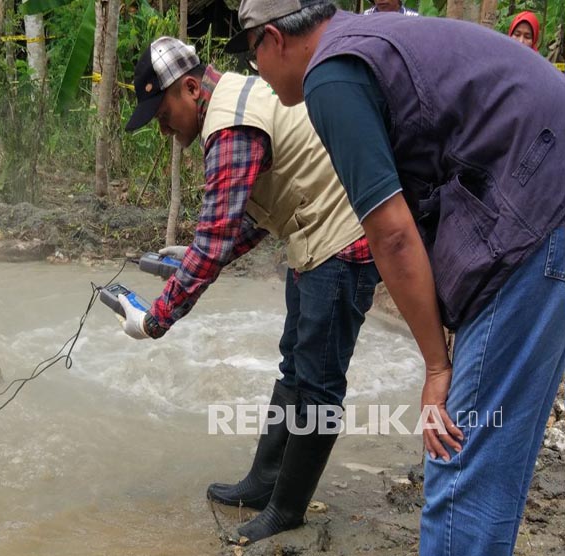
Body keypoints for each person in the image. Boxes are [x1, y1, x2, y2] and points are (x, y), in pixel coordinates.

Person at [225, 0, 565, 553]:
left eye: (253, 54)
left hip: (536, 205)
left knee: (460, 461)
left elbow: (393, 234)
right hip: (539, 196)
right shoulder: (367, 38)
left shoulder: (330, 76)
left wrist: (436, 365)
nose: (256, 71)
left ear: (273, 39)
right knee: (490, 458)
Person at [118, 36, 380, 526]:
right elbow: (251, 220)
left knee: (319, 386)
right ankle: (265, 482)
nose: (164, 128)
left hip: (341, 241)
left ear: (191, 88)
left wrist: (154, 320)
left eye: (162, 114)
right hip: (313, 235)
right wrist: (192, 255)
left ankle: (287, 509)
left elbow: (216, 241)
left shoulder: (229, 126)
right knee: (295, 369)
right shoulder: (237, 95)